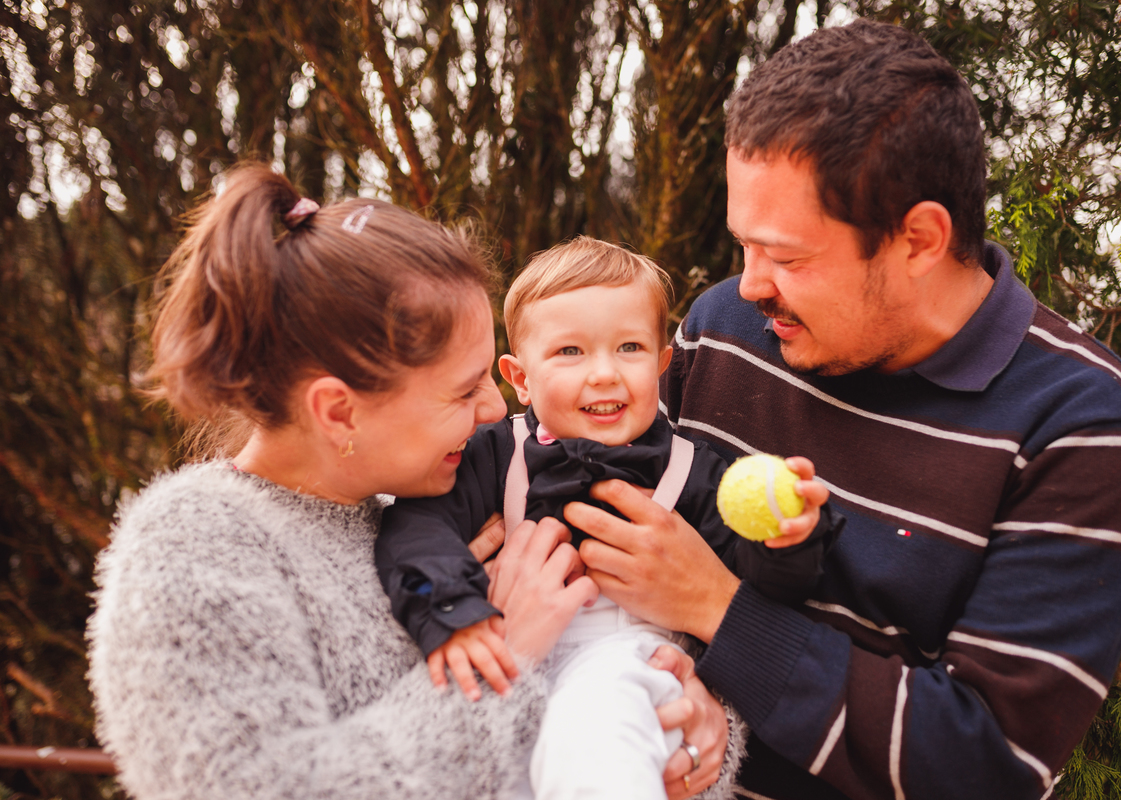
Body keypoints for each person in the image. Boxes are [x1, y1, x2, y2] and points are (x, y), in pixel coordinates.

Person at [563, 20, 1121, 800]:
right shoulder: (725, 331)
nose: (749, 284)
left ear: (918, 238)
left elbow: (985, 764)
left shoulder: (1082, 423)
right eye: (743, 245)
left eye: (787, 257)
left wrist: (718, 608)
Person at [86, 166, 728, 800]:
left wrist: (695, 734)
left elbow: (599, 709)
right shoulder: (193, 551)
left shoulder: (432, 507)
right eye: (464, 388)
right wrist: (511, 657)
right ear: (339, 412)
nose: (491, 411)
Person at [375, 237, 840, 800]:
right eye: (570, 352)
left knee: (600, 719)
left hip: (631, 667)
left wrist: (788, 544)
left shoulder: (692, 471)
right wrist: (453, 610)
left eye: (629, 347)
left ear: (663, 364)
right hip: (513, 658)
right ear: (520, 378)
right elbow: (418, 528)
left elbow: (759, 583)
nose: (603, 374)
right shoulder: (498, 454)